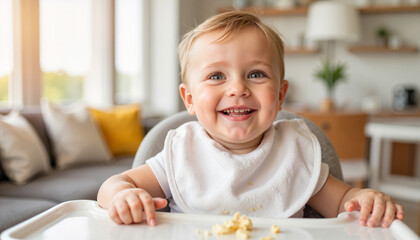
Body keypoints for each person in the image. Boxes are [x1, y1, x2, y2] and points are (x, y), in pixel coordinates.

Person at [97, 11, 403, 228]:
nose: (237, 89)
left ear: (281, 95)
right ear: (189, 99)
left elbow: (342, 202)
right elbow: (114, 185)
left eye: (256, 74)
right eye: (216, 76)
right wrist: (123, 196)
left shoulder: (293, 151)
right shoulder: (182, 153)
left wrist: (364, 198)